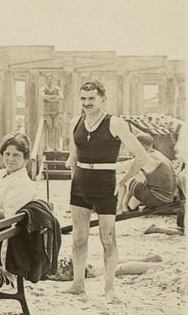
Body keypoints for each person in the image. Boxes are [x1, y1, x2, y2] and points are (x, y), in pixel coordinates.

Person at [66, 81, 151, 299]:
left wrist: (123, 181)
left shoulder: (115, 123)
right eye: (83, 99)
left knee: (107, 238)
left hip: (105, 183)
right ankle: (78, 284)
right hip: (80, 183)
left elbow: (141, 156)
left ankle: (109, 288)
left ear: (102, 98)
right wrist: (74, 177)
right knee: (78, 238)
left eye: (91, 98)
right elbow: (73, 156)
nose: (87, 103)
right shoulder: (76, 122)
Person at [119, 134, 180, 212]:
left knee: (127, 178)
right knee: (139, 177)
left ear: (140, 146)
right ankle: (131, 206)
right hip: (167, 198)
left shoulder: (146, 158)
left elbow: (122, 167)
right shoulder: (157, 154)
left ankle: (122, 208)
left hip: (159, 199)